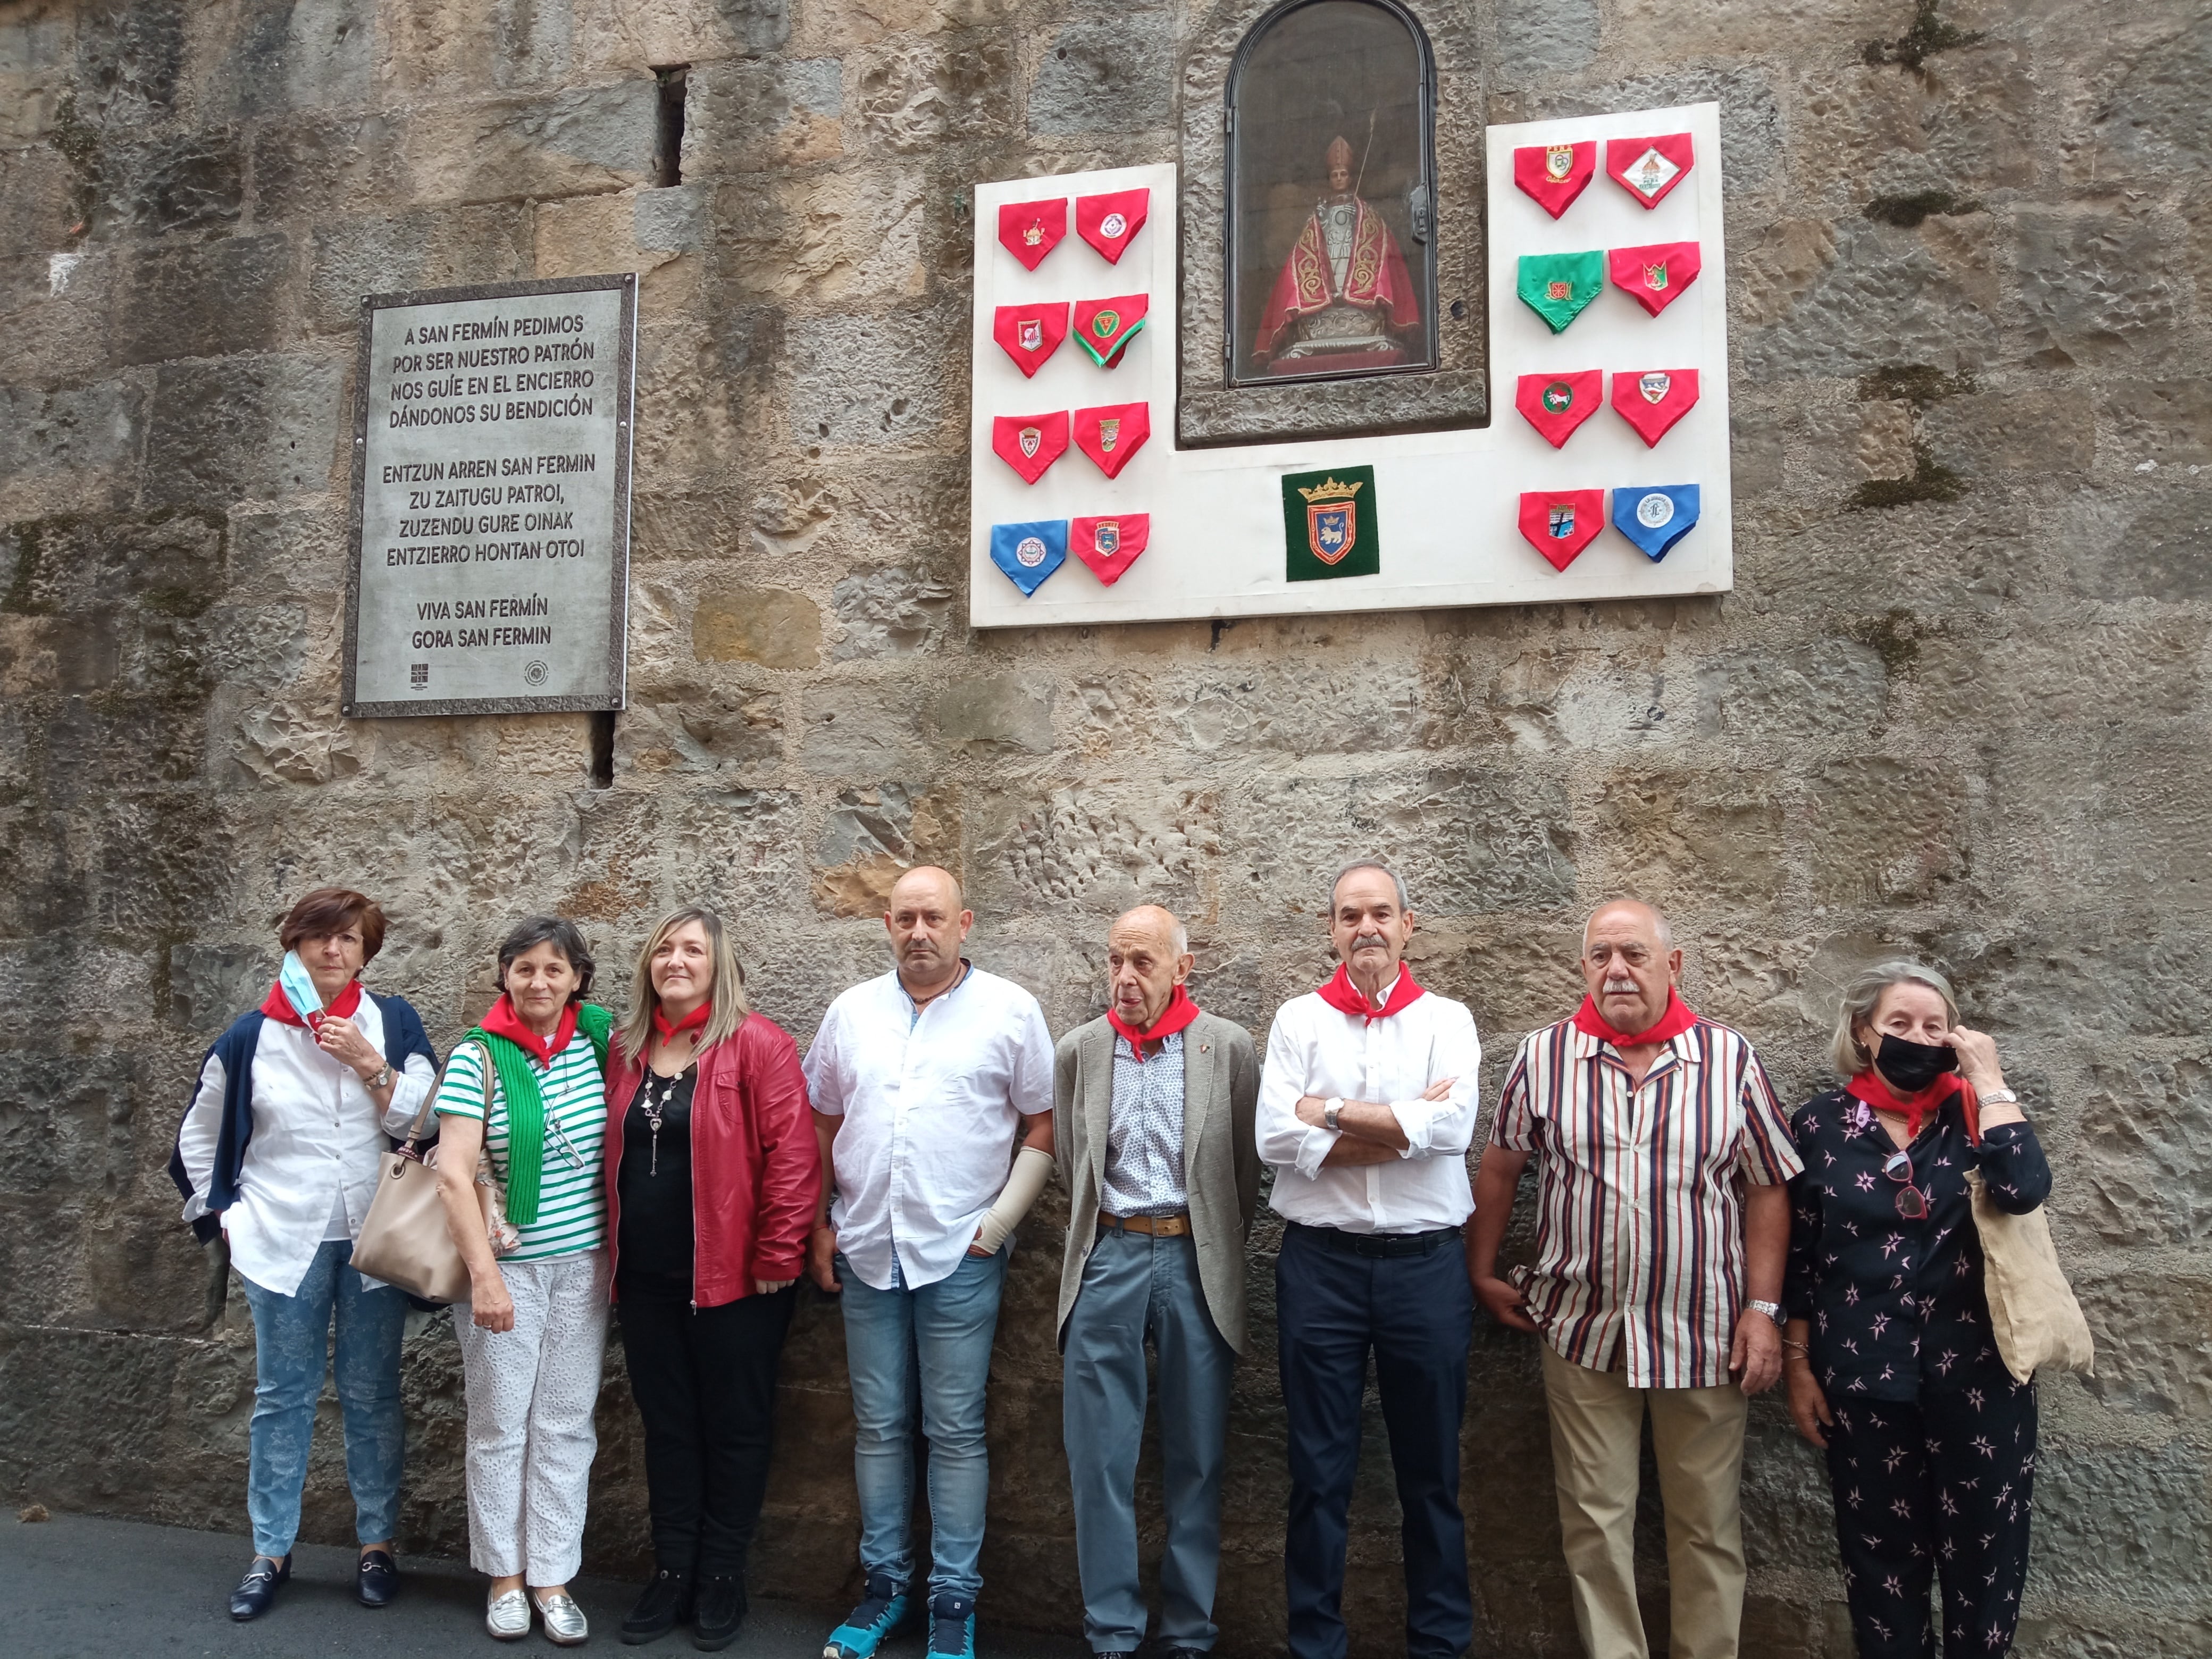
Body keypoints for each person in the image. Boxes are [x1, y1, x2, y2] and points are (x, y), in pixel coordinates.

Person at [1467, 900, 1801, 1659]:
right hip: (1584, 1330)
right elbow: (1501, 1166)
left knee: (1707, 1527)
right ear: (1583, 968)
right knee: (1594, 1522)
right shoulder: (1544, 1056)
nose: (1616, 969)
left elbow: (1768, 1186)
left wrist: (1763, 1308)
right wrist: (1480, 1270)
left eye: (1635, 955)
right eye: (1601, 956)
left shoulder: (1729, 1059)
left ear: (1672, 965)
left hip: (1707, 1335)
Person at [802, 866, 1055, 1659]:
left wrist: (997, 1225)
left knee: (955, 1431)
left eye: (933, 918)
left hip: (960, 1256)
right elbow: (821, 1123)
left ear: (963, 924)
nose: (919, 932)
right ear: (887, 924)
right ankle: (884, 1590)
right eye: (906, 918)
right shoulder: (851, 1013)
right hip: (868, 1247)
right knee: (878, 1429)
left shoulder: (1011, 1012)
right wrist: (819, 1225)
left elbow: (1044, 1125)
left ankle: (954, 1600)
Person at [171, 887, 439, 1621]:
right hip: (281, 1236)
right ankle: (270, 1552)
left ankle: (377, 1545)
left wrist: (369, 1064)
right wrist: (226, 1218)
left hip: (373, 1237)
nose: (334, 950)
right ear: (293, 943)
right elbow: (199, 1136)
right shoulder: (250, 1036)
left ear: (366, 953)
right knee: (281, 1397)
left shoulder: (392, 1022)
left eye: (350, 939)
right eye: (321, 936)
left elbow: (431, 1120)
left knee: (372, 1393)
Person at [1781, 963, 2049, 1659]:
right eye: (1899, 1024)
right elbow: (1801, 1259)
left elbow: (2024, 1189)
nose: (1917, 1038)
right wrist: (1798, 1365)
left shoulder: (1980, 1115)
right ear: (1865, 1033)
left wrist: (1988, 1080)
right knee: (1880, 1571)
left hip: (1983, 1382)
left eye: (1935, 1026)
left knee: (1984, 1569)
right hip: (1864, 1385)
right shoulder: (1818, 1125)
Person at [1256, 860, 1481, 1659]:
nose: (1366, 929)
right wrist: (1400, 1126)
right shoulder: (1297, 1022)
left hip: (1426, 1270)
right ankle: (1315, 1645)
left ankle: (1439, 1647)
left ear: (1407, 925)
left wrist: (1332, 1118)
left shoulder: (1447, 1021)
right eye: (1350, 915)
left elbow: (1452, 1133)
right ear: (1331, 929)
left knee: (1432, 1476)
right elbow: (1274, 1139)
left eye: (1381, 913)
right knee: (1317, 1475)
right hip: (1322, 1269)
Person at [601, 906, 821, 1650]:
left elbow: (794, 1158)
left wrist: (777, 1255)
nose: (675, 960)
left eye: (692, 949)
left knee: (735, 1428)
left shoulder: (758, 1046)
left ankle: (722, 1573)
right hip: (647, 1280)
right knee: (666, 1429)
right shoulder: (625, 1049)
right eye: (663, 948)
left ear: (718, 965)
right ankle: (673, 1571)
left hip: (738, 1282)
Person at [1053, 905, 1261, 1659]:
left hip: (1193, 1260)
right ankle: (1111, 1631)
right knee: (1099, 1456)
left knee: (1198, 1454)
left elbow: (1243, 1172)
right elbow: (1075, 1164)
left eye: (1142, 962)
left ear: (1183, 966)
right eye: (1115, 961)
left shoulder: (1227, 1048)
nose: (1125, 977)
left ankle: (1188, 1634)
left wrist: (1203, 1244)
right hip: (1107, 1256)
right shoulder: (1080, 1050)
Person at [433, 916, 614, 1646]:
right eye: (525, 969)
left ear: (577, 979)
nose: (539, 982)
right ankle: (505, 1579)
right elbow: (451, 1176)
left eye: (554, 969)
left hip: (586, 1268)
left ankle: (552, 1577)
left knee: (567, 1426)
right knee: (501, 1427)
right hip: (505, 1267)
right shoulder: (477, 1057)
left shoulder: (602, 1042)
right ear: (503, 975)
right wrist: (484, 1278)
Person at [1253, 134, 1421, 372]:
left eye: (1343, 174)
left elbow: (1380, 250)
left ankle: (1352, 301)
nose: (1340, 179)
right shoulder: (1318, 217)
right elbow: (1303, 256)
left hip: (1356, 288)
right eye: (1335, 175)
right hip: (1329, 267)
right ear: (1329, 179)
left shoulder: (1368, 217)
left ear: (1351, 177)